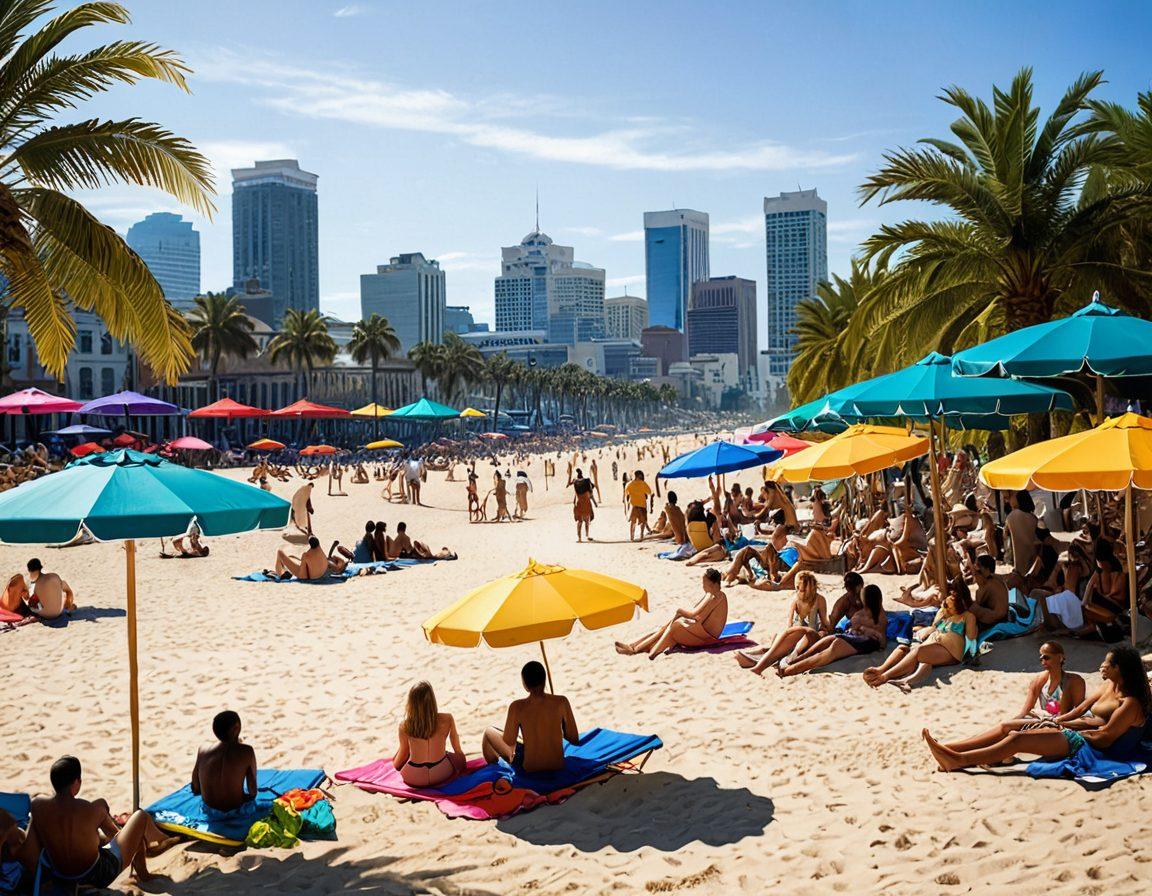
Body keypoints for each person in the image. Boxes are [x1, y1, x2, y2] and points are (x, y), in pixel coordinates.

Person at [924, 645, 1151, 772]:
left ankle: (959, 760)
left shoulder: (1130, 703)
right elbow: (1080, 709)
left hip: (1091, 746)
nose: (1101, 665)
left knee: (1017, 739)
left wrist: (1065, 727)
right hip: (1079, 729)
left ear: (1119, 668)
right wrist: (1058, 720)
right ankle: (952, 747)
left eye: (1107, 663)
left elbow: (1105, 738)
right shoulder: (1108, 684)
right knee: (1008, 726)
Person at [28, 756, 176, 888]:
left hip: (60, 876)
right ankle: (145, 873)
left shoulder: (37, 805)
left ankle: (157, 839)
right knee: (140, 816)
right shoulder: (94, 808)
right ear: (77, 782)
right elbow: (115, 836)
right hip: (97, 875)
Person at [863, 580, 976, 691]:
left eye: (952, 600)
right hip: (935, 643)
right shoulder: (945, 614)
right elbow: (934, 626)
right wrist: (943, 611)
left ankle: (885, 676)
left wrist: (971, 656)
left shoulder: (968, 616)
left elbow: (971, 638)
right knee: (902, 648)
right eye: (949, 598)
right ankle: (882, 670)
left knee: (919, 652)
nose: (949, 603)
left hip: (952, 650)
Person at [482, 661, 579, 773]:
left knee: (488, 732)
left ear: (525, 685)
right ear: (544, 680)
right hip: (557, 765)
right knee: (523, 740)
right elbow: (574, 739)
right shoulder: (561, 702)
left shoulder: (517, 707)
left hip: (529, 769)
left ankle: (493, 770)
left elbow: (509, 741)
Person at [778, 583, 888, 676]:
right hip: (854, 638)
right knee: (830, 639)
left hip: (863, 641)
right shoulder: (869, 613)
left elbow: (881, 642)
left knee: (830, 650)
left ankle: (789, 670)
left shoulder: (878, 616)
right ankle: (798, 659)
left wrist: (865, 630)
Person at [615, 569, 728, 658]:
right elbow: (699, 616)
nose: (703, 586)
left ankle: (637, 649)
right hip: (704, 632)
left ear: (713, 584)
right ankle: (634, 646)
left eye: (705, 583)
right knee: (664, 627)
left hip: (707, 637)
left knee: (673, 626)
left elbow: (693, 614)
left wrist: (679, 612)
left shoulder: (714, 596)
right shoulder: (716, 594)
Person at [734, 570, 829, 675]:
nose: (798, 590)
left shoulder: (813, 599)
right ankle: (760, 658)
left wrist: (823, 630)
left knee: (793, 636)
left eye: (800, 587)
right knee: (783, 638)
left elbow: (822, 623)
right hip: (800, 634)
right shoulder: (803, 600)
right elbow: (823, 622)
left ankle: (764, 663)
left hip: (808, 636)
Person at [393, 682, 467, 788]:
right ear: (432, 700)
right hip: (442, 773)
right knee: (451, 756)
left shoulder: (405, 725)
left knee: (403, 755)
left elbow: (402, 756)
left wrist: (394, 763)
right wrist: (461, 761)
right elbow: (458, 750)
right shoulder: (447, 719)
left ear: (411, 703)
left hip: (414, 777)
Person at [191, 711, 258, 812]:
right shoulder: (246, 751)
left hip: (209, 809)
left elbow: (196, 787)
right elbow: (252, 791)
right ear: (237, 727)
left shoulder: (203, 749)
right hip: (235, 808)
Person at [1005, 489, 1039, 578]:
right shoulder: (1033, 518)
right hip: (1033, 559)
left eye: (1012, 496)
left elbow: (1005, 536)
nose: (1009, 500)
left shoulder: (1012, 516)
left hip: (1019, 561)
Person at [971, 554, 1011, 629]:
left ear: (987, 570)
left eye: (979, 566)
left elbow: (978, 601)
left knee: (971, 609)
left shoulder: (988, 584)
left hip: (997, 620)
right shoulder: (996, 577)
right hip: (1003, 616)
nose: (976, 569)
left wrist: (980, 584)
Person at [390, 522, 456, 560]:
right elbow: (409, 550)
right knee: (431, 556)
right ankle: (446, 554)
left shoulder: (398, 537)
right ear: (404, 529)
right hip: (409, 554)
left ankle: (446, 554)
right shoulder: (406, 537)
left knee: (431, 555)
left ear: (398, 529)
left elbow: (407, 550)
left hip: (401, 555)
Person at [625, 470, 652, 541]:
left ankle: (631, 537)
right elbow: (649, 492)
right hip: (642, 505)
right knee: (643, 522)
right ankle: (641, 536)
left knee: (633, 522)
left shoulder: (629, 484)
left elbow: (626, 494)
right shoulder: (643, 483)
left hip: (633, 505)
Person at [571, 468, 597, 543]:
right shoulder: (587, 480)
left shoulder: (575, 481)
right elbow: (592, 487)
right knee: (587, 519)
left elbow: (571, 482)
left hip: (578, 501)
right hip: (586, 501)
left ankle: (579, 538)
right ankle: (587, 535)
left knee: (579, 521)